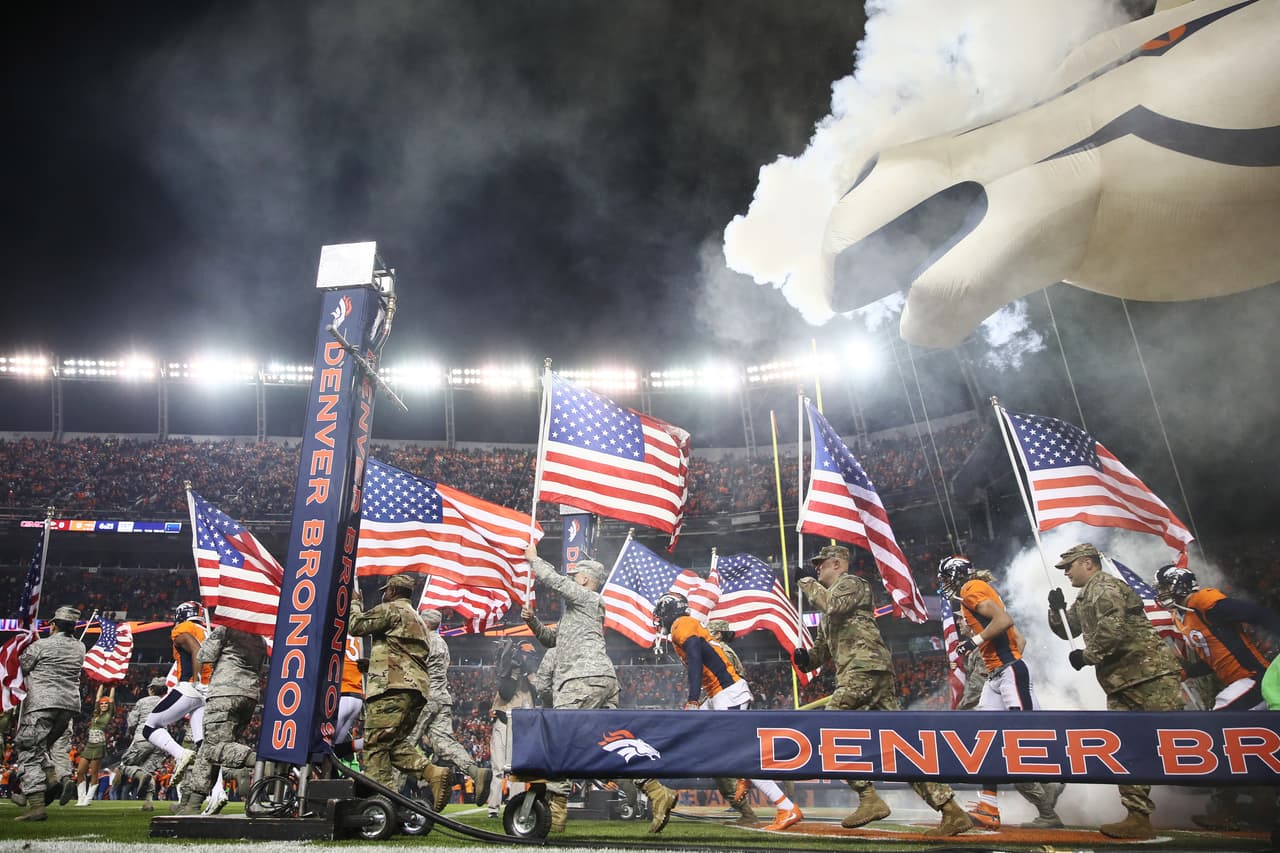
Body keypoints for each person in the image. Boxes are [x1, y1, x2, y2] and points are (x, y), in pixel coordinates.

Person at [795, 544, 972, 836]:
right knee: (898, 744)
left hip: (865, 669)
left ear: (838, 564)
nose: (817, 568)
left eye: (821, 563)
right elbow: (823, 650)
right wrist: (806, 660)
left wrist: (806, 583)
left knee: (828, 726)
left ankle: (869, 797)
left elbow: (832, 604)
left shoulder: (852, 584)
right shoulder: (829, 607)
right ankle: (951, 810)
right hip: (864, 672)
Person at [523, 543, 678, 834]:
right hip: (600, 680)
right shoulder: (577, 613)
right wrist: (532, 622)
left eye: (575, 575)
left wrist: (534, 560)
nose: (571, 579)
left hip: (583, 679)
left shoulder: (588, 598)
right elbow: (552, 642)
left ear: (583, 580)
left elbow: (554, 581)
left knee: (559, 740)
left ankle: (556, 812)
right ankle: (656, 791)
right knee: (608, 747)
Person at [1047, 543, 1184, 840]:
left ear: (1087, 563)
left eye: (1069, 566)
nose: (1066, 573)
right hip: (1121, 682)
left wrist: (1087, 656)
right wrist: (1055, 610)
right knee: (1127, 748)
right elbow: (1069, 629)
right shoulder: (1086, 595)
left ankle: (1236, 799)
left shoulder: (1106, 587)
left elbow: (1112, 629)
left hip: (1149, 676)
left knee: (1180, 741)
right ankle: (1137, 816)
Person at [654, 595, 803, 831]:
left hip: (727, 694)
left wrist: (693, 699)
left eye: (661, 613)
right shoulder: (685, 625)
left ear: (669, 611)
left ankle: (786, 806)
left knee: (740, 757)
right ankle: (663, 792)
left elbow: (695, 658)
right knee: (689, 732)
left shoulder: (681, 624)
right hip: (718, 695)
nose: (659, 619)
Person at [938, 556, 1065, 829]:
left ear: (956, 575)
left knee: (1020, 740)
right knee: (989, 741)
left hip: (1007, 675)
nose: (947, 585)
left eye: (947, 578)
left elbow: (1004, 620)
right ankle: (989, 807)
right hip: (999, 675)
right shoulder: (977, 589)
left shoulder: (970, 588)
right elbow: (1019, 639)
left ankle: (1052, 791)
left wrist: (975, 643)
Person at [1154, 563, 1280, 829]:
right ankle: (1259, 804)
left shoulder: (1205, 601)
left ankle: (1228, 808)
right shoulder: (1183, 615)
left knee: (1217, 728)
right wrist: (1189, 671)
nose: (1161, 592)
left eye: (1165, 586)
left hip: (1256, 678)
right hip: (1238, 681)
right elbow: (1215, 657)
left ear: (1179, 584)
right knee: (1241, 745)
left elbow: (1258, 613)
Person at [346, 574, 451, 808]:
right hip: (416, 689)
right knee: (391, 743)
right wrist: (371, 664)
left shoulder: (390, 609)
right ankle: (432, 773)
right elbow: (403, 653)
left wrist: (355, 603)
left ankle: (383, 801)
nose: (384, 593)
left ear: (392, 591)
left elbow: (356, 627)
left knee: (374, 746)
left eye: (386, 590)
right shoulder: (419, 621)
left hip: (390, 688)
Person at [171, 624, 268, 815]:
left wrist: (214, 634)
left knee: (215, 747)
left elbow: (203, 655)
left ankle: (257, 762)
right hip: (249, 696)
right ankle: (192, 804)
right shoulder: (260, 640)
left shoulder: (227, 629)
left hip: (224, 693)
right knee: (210, 749)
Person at [409, 608, 493, 808]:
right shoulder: (442, 644)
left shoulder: (423, 641)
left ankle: (391, 792)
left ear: (426, 623)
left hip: (425, 698)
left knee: (405, 743)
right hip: (442, 699)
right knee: (445, 743)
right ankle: (475, 772)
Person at [12, 605, 85, 822]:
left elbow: (22, 667)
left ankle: (36, 806)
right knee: (41, 747)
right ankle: (53, 779)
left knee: (28, 750)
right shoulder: (80, 647)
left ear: (53, 625)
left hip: (41, 704)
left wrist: (26, 641)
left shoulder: (41, 646)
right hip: (68, 707)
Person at [144, 601, 210, 783]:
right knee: (202, 743)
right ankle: (217, 792)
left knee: (150, 727)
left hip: (191, 687)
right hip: (209, 691)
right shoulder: (208, 632)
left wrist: (197, 681)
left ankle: (181, 754)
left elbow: (196, 650)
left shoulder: (183, 628)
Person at [705, 619, 761, 828]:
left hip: (730, 704)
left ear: (717, 634)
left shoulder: (721, 651)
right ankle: (747, 810)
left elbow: (725, 683)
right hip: (729, 704)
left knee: (725, 761)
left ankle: (754, 810)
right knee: (724, 761)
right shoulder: (720, 649)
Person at [487, 639, 537, 819]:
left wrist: (530, 673)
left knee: (517, 769)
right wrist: (513, 672)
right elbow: (505, 692)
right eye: (524, 654)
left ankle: (515, 805)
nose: (526, 658)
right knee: (498, 769)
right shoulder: (508, 675)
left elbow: (541, 691)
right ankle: (493, 808)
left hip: (521, 727)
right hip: (503, 722)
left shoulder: (531, 679)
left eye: (528, 655)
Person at [115, 677, 169, 810]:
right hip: (161, 742)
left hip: (143, 737)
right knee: (148, 771)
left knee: (125, 764)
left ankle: (140, 775)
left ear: (151, 689)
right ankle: (148, 803)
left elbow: (132, 722)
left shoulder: (142, 701)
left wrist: (131, 732)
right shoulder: (167, 702)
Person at [71, 686, 115, 806]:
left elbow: (111, 698)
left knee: (94, 772)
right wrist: (101, 684)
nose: (104, 705)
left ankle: (88, 799)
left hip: (98, 746)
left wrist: (112, 685)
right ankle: (81, 798)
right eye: (102, 703)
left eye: (106, 704)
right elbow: (97, 698)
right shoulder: (96, 714)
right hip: (89, 745)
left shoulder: (108, 714)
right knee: (80, 771)